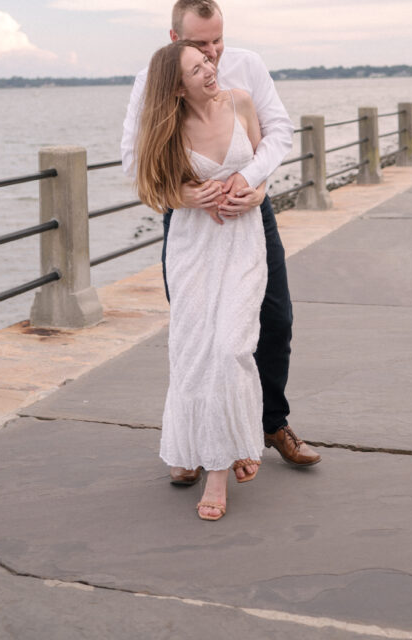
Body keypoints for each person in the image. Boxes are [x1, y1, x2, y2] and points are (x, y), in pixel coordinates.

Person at [121, 0, 321, 485]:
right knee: (195, 335)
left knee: (275, 321)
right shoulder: (153, 80)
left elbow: (277, 132)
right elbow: (134, 159)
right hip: (189, 220)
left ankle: (270, 425)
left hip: (251, 210)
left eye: (218, 41)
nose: (212, 55)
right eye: (199, 44)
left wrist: (251, 181)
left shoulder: (248, 67)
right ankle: (193, 443)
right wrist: (189, 196)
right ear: (175, 39)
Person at [136, 39, 267, 520]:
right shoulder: (168, 126)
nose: (210, 70)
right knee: (192, 350)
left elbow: (262, 170)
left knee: (231, 346)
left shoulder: (242, 102)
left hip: (242, 241)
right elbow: (152, 187)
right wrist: (188, 197)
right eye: (196, 69)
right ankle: (200, 446)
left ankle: (219, 468)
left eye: (208, 61)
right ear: (176, 87)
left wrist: (255, 194)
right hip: (192, 247)